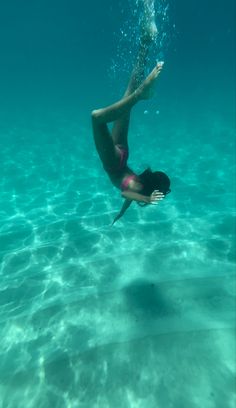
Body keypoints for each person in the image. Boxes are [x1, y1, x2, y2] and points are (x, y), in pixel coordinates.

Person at [91, 1, 171, 225]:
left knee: (128, 89)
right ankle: (140, 95)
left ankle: (145, 41)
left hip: (123, 151)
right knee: (96, 118)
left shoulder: (139, 183)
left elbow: (128, 199)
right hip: (114, 162)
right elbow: (126, 194)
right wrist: (145, 198)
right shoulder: (137, 189)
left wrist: (121, 214)